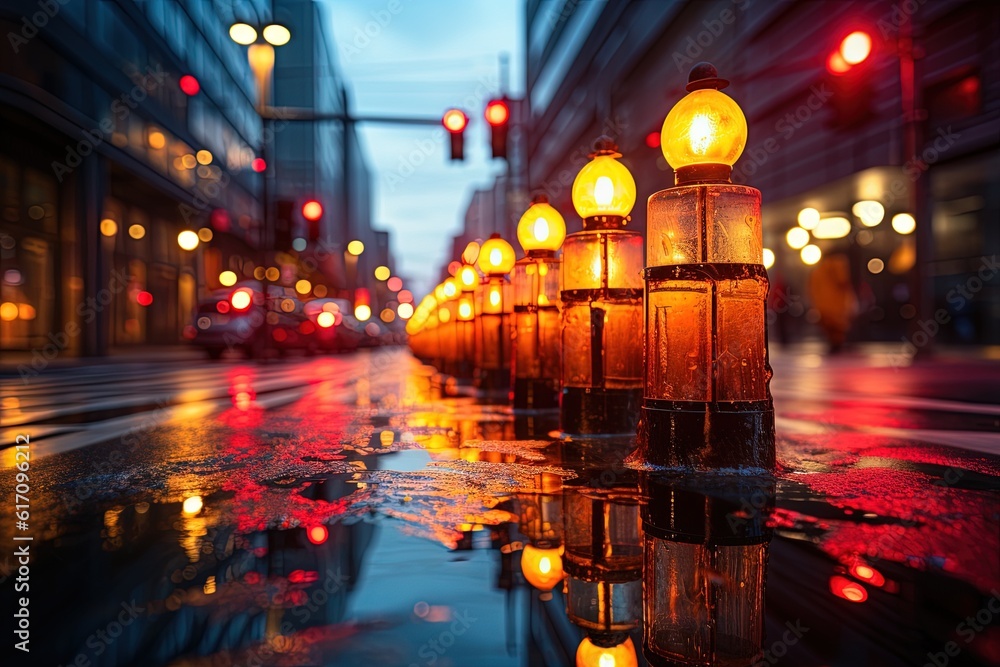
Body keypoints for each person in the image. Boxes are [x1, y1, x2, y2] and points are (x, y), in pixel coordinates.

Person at [808, 252, 858, 353]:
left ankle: (834, 345)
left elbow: (812, 288)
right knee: (838, 328)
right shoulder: (839, 265)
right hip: (838, 305)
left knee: (830, 328)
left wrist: (816, 302)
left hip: (822, 306)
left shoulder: (818, 271)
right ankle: (837, 345)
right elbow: (843, 282)